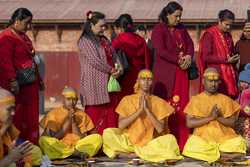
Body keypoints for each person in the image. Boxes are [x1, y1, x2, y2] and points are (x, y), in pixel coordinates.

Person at [103, 69, 183, 163]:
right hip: (129, 142)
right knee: (108, 133)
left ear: (152, 82)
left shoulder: (159, 102)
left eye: (149, 79)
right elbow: (121, 125)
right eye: (143, 79)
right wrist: (140, 111)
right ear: (138, 81)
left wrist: (148, 111)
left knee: (170, 140)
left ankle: (134, 154)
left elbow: (160, 128)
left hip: (151, 143)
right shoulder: (127, 100)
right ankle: (143, 153)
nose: (146, 82)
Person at [151, 1, 194, 151]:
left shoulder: (182, 29)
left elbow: (190, 44)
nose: (179, 19)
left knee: (182, 107)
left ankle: (182, 144)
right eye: (176, 16)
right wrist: (178, 59)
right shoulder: (158, 29)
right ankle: (165, 145)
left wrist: (188, 56)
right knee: (166, 108)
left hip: (181, 74)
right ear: (167, 14)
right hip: (166, 76)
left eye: (180, 16)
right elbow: (160, 50)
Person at [182, 68, 246, 163]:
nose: (213, 84)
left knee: (239, 143)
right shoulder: (196, 100)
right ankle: (222, 155)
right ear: (203, 81)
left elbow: (233, 123)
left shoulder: (225, 99)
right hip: (203, 140)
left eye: (216, 81)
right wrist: (210, 117)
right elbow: (189, 123)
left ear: (219, 82)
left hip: (225, 139)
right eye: (210, 81)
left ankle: (213, 155)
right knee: (191, 145)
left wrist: (218, 117)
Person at [0, 8, 42, 144]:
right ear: (17, 21)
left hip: (30, 84)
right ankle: (17, 150)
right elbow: (5, 61)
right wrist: (12, 80)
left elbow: (31, 59)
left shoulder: (23, 36)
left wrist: (39, 79)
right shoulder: (6, 37)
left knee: (31, 117)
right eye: (27, 22)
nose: (29, 26)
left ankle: (31, 146)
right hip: (16, 86)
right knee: (17, 116)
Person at [78, 11, 122, 134]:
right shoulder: (85, 41)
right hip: (94, 83)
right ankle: (95, 143)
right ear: (91, 25)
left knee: (111, 111)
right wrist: (111, 69)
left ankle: (110, 142)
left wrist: (119, 69)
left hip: (110, 82)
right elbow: (94, 60)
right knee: (95, 112)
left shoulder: (104, 40)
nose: (104, 28)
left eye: (105, 26)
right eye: (101, 26)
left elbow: (114, 55)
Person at [39, 87, 102, 160]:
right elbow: (54, 138)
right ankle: (72, 153)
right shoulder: (53, 114)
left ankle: (72, 153)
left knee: (97, 138)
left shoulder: (82, 115)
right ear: (63, 100)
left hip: (79, 146)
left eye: (74, 99)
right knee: (43, 140)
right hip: (61, 146)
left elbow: (83, 137)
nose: (71, 102)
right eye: (68, 99)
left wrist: (73, 122)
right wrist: (68, 121)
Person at [198, 9, 239, 98]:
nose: (228, 27)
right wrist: (225, 60)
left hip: (229, 75)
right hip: (216, 76)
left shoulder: (228, 35)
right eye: (226, 24)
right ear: (219, 21)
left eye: (230, 25)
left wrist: (234, 58)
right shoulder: (209, 34)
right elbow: (206, 57)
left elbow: (231, 52)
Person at [0, 87, 42, 166]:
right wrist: (11, 157)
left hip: (6, 156)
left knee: (35, 151)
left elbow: (15, 141)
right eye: (9, 109)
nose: (13, 113)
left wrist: (17, 150)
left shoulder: (6, 121)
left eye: (13, 108)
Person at [112, 14, 151, 98]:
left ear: (121, 28)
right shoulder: (140, 39)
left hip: (125, 76)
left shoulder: (118, 40)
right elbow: (147, 60)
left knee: (125, 102)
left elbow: (111, 56)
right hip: (139, 75)